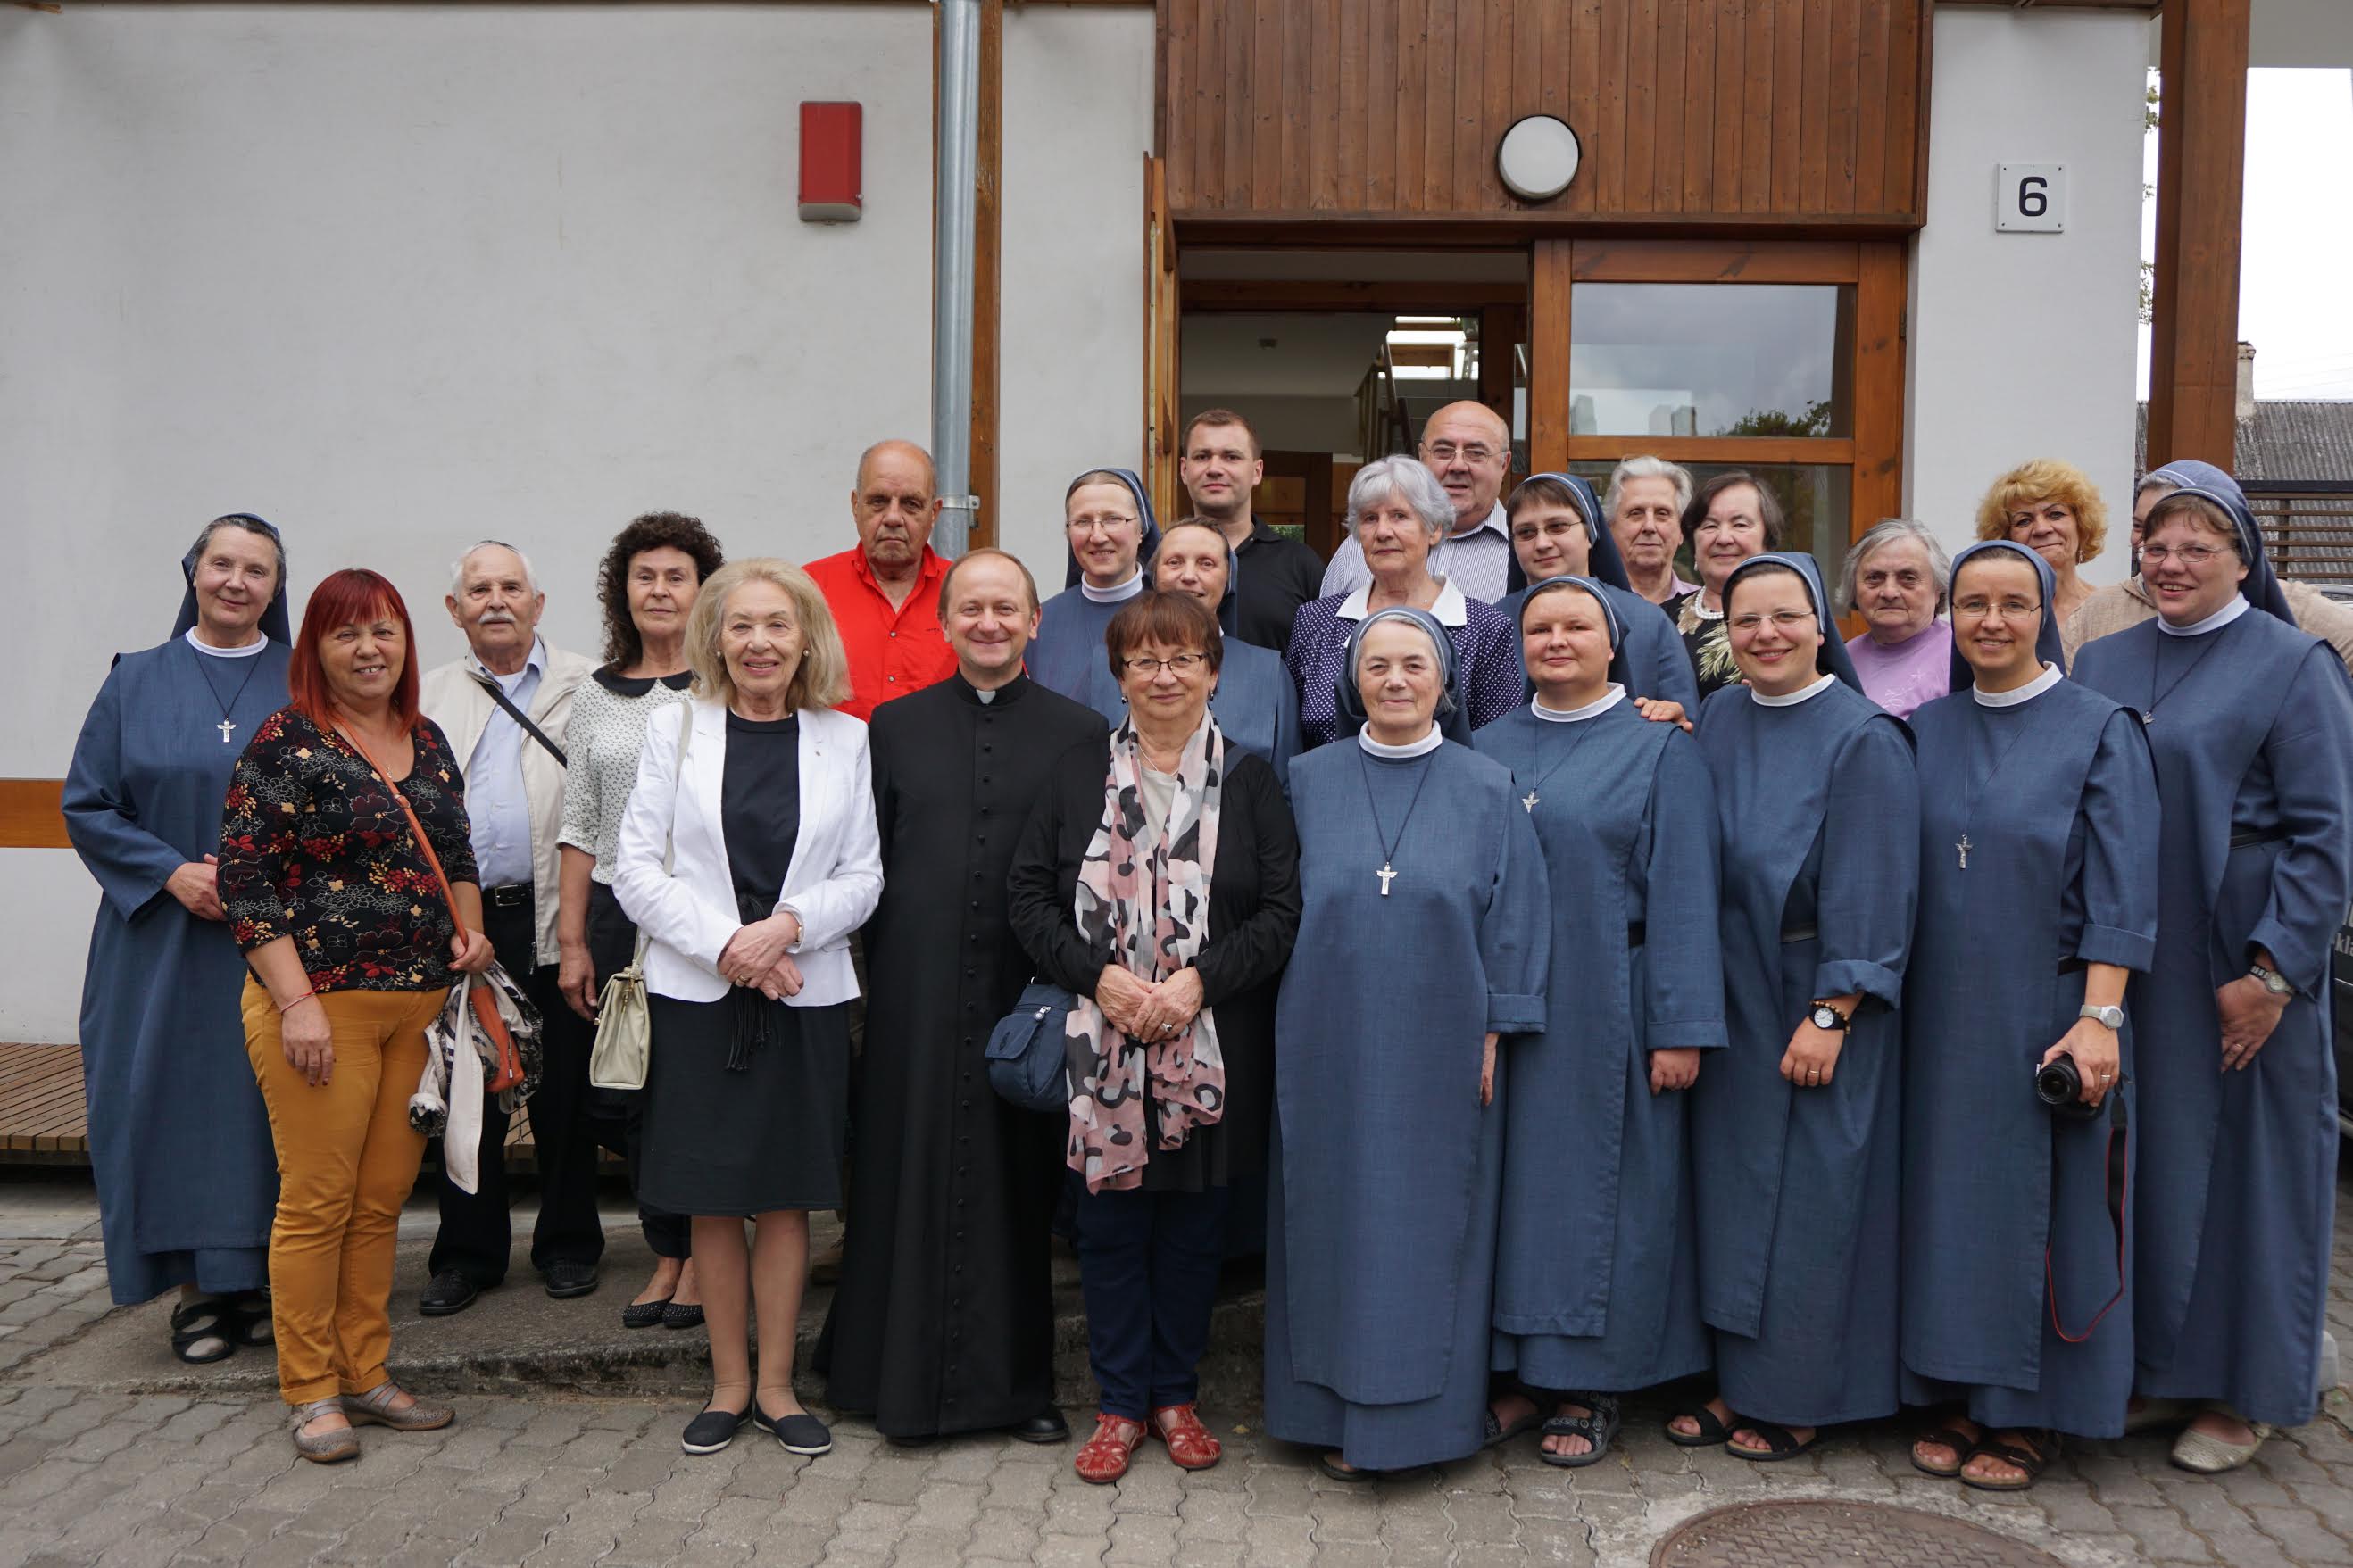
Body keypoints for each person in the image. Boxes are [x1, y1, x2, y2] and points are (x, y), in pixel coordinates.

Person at [2074, 476, 2353, 1473]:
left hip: (2239, 952)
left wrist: (2272, 974)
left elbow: (2325, 836)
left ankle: (2248, 1390)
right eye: (2155, 544)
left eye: (2197, 546)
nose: (2171, 563)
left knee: (2249, 1173)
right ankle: (2157, 1366)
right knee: (2143, 1165)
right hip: (2134, 950)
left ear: (2243, 558)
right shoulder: (2101, 658)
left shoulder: (2291, 663)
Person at [1008, 591, 1301, 1482]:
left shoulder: (1251, 780)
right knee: (1107, 1232)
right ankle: (1117, 1403)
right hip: (1102, 1044)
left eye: (1182, 657)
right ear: (1119, 674)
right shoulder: (1071, 775)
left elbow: (1282, 909)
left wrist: (1196, 980)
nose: (1163, 674)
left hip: (1207, 1042)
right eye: (1144, 659)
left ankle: (1175, 1394)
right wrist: (1096, 975)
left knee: (1191, 1233)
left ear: (1214, 670)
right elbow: (1025, 896)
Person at [817, 549, 1104, 1446]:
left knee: (1017, 1190)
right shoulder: (891, 728)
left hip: (1026, 994)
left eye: (1004, 608)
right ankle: (875, 1372)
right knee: (898, 1172)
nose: (987, 622)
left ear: (1032, 622)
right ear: (946, 623)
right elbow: (861, 860)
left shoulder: (1080, 729)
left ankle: (1015, 1387)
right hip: (911, 986)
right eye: (970, 608)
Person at [1265, 608, 1549, 1478]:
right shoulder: (1306, 779)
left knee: (1425, 1225)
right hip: (1323, 1033)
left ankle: (1416, 1426)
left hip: (1444, 1040)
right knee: (1327, 1211)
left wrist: (1499, 1021)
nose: (1393, 679)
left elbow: (1518, 914)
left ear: (1444, 680)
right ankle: (1320, 1410)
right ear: (1351, 679)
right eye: (1376, 664)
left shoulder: (1486, 783)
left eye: (1412, 664)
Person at [1900, 540, 2159, 1491]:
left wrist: (2100, 1016)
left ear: (2044, 610)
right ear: (1949, 615)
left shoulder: (2099, 728)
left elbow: (2124, 888)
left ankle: (2033, 1413)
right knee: (1947, 1208)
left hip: (2044, 1005)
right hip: (1939, 1014)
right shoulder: (1927, 728)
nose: (1991, 620)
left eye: (2013, 602)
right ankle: (1954, 1389)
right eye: (1971, 603)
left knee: (2041, 1212)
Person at [220, 568, 492, 1463]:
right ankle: (310, 1391)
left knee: (378, 1203)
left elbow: (456, 852)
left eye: (383, 631)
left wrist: (473, 936)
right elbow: (246, 883)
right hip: (319, 1012)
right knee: (316, 1202)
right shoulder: (285, 741)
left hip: (416, 1011)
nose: (369, 649)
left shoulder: (428, 734)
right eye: (347, 634)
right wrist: (294, 1001)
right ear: (317, 650)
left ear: (406, 643)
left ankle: (365, 1372)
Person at [612, 559, 881, 1460]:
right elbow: (637, 868)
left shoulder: (843, 738)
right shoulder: (673, 728)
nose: (759, 642)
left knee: (787, 1195)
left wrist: (787, 928)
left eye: (777, 625)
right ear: (713, 636)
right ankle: (727, 1384)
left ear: (805, 637)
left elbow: (864, 875)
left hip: (804, 990)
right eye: (740, 625)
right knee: (712, 1200)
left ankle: (777, 1386)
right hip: (700, 995)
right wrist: (729, 945)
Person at [1675, 552, 1918, 1462]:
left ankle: (1797, 1393)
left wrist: (1833, 1007)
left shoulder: (1864, 737)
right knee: (1737, 1195)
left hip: (1813, 993)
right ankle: (1738, 1379)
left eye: (1784, 617)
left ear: (1821, 626)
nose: (1764, 635)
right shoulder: (1724, 714)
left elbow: (1878, 885)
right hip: (1734, 986)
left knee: (1810, 1199)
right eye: (1745, 621)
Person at [1476, 577, 1724, 1468]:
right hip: (1503, 1001)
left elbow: (1688, 895)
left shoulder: (1659, 748)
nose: (1554, 638)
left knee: (1599, 1193)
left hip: (1610, 997)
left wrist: (1681, 1025)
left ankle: (1589, 1380)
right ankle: (1512, 1368)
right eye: (1537, 625)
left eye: (1575, 624)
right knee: (1509, 1191)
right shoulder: (1487, 742)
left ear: (1611, 642)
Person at [64, 514, 291, 1365]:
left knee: (264, 1107)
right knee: (165, 1104)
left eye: (256, 570)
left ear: (276, 587)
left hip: (275, 941)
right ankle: (197, 1291)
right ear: (193, 571)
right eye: (221, 563)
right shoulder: (135, 679)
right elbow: (87, 802)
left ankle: (264, 1279)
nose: (237, 581)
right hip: (157, 940)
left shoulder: (303, 680)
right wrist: (169, 872)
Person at [416, 542, 597, 1315]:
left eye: (511, 587)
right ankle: (468, 1252)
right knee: (470, 1088)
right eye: (478, 589)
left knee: (567, 1091)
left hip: (562, 913)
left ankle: (568, 1243)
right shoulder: (422, 696)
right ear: (454, 611)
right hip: (468, 924)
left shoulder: (586, 686)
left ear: (539, 602)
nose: (496, 600)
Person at [555, 511, 726, 1330]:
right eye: (645, 576)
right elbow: (580, 824)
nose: (660, 590)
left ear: (704, 590)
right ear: (622, 590)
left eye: (677, 576)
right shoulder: (594, 694)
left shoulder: (727, 683)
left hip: (707, 921)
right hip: (623, 921)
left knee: (697, 1090)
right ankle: (666, 1251)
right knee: (631, 1093)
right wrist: (573, 940)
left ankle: (704, 1258)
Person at [1285, 458, 1522, 749]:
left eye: (1399, 516)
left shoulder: (1486, 626)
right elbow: (1291, 738)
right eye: (1370, 518)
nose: (1383, 531)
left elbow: (1500, 745)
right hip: (1332, 789)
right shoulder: (1316, 620)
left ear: (1434, 529)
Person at [2063, 461, 2353, 671]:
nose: (2149, 540)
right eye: (2142, 527)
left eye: (2194, 547)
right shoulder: (2098, 613)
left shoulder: (2291, 610)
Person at [1497, 473, 1699, 710]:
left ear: (1590, 534)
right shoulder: (1493, 624)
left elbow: (1684, 721)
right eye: (1526, 533)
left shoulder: (1649, 621)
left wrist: (1672, 717)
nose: (1542, 544)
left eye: (1557, 527)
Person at [804, 439, 958, 721]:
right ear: (855, 505)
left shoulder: (965, 591)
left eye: (911, 504)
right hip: (836, 764)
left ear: (933, 513)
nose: (893, 517)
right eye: (879, 502)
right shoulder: (809, 589)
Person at [1318, 401, 1517, 603]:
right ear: (1422, 456)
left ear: (1504, 464)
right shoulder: (1358, 549)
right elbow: (1326, 629)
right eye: (1443, 451)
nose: (1458, 466)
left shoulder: (1524, 551)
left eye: (1476, 453)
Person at [1148, 519, 1301, 775]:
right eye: (1174, 562)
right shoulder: (1112, 663)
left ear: (1229, 577)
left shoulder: (1269, 672)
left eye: (1206, 564)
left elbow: (1284, 784)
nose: (1188, 576)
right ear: (1153, 576)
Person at [1177, 409, 1326, 654]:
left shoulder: (1301, 565)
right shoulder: (1160, 564)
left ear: (1257, 472)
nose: (1214, 468)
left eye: (1231, 457)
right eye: (1202, 456)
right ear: (1184, 470)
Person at [1031, 469, 1164, 713]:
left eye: (1113, 519)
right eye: (1082, 522)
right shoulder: (1040, 623)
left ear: (1141, 529)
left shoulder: (1173, 616)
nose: (1097, 536)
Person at [1669, 471, 1783, 699]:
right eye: (1710, 526)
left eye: (1740, 524)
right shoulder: (1660, 619)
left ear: (1767, 539)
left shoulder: (1794, 618)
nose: (1723, 538)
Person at [1841, 519, 1954, 719]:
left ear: (1938, 589)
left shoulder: (1961, 654)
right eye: (1874, 577)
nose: (1889, 592)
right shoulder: (1842, 660)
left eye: (1908, 578)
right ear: (1854, 588)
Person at [1975, 459, 2107, 631]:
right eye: (2024, 521)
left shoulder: (2110, 609)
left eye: (2055, 514)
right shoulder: (1993, 619)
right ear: (2006, 538)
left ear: (2081, 524)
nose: (2041, 529)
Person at [1608, 456, 1700, 607]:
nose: (1649, 526)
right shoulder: (1592, 604)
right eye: (1636, 513)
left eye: (1662, 513)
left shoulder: (1704, 609)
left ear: (1681, 530)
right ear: (1611, 527)